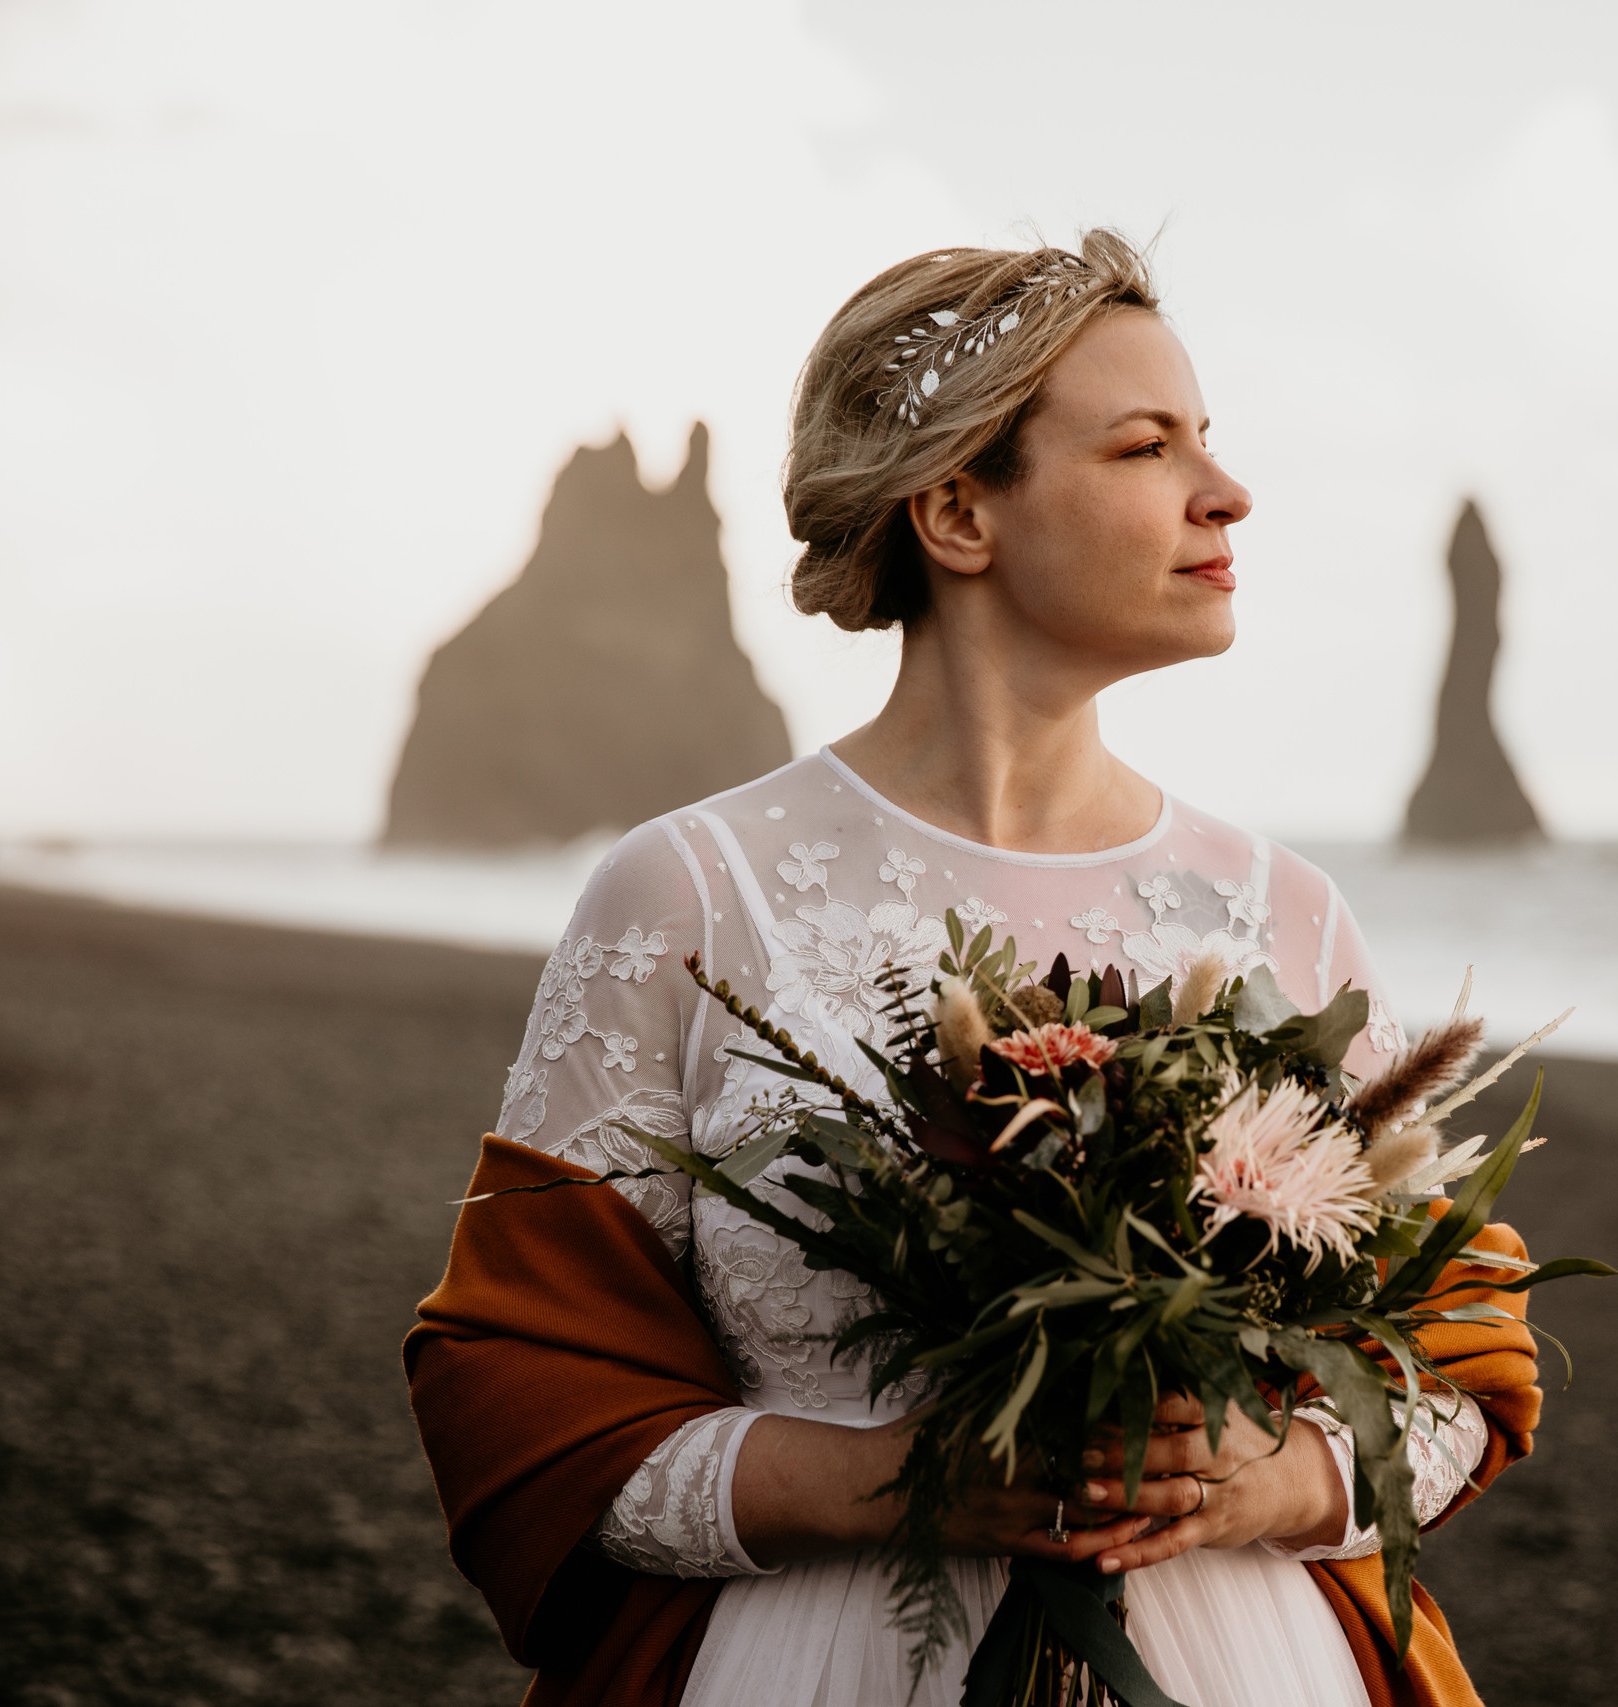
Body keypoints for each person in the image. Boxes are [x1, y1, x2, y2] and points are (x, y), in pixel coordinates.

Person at [409, 231, 1540, 1707]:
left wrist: (1271, 1484)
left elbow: (1450, 1361)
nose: (1226, 491)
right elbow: (522, 1404)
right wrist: (899, 1483)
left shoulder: (1280, 912)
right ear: (957, 511)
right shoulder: (690, 894)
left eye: (1210, 441)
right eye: (1148, 446)